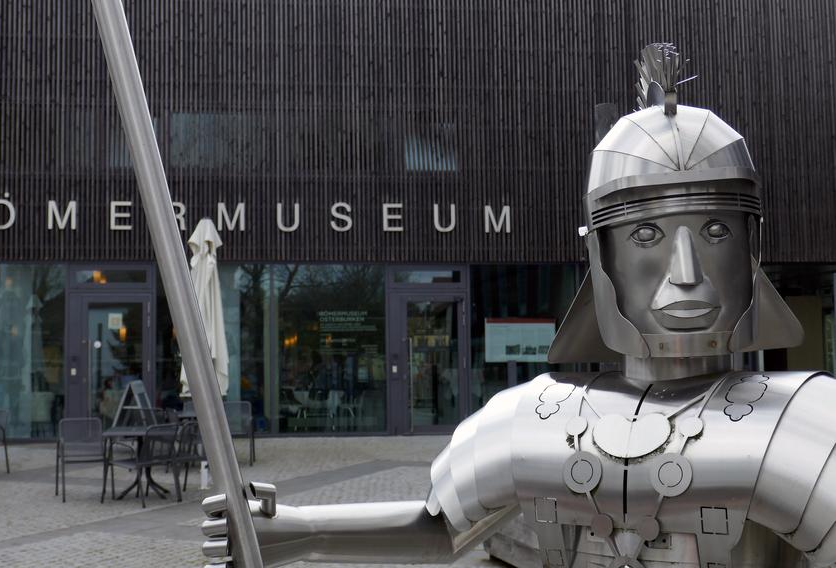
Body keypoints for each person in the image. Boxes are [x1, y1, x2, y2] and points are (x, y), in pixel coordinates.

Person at [200, 44, 835, 568]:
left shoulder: (811, 423)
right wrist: (291, 530)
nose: (688, 273)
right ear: (602, 257)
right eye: (647, 235)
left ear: (751, 243)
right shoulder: (526, 418)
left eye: (715, 231)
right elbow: (440, 532)